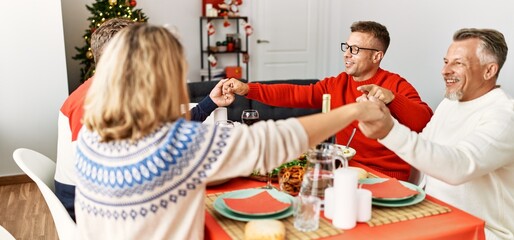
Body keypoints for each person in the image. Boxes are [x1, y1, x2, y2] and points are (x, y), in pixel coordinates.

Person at [74, 23, 384, 240]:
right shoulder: (182, 146)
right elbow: (275, 141)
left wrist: (207, 104)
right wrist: (355, 111)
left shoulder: (90, 135)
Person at [54, 18, 235, 220]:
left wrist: (211, 102)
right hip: (90, 209)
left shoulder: (118, 91)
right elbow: (103, 179)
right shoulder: (90, 103)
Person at [222, 21, 433, 181]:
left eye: (355, 50)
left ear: (377, 56)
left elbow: (424, 121)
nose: (347, 55)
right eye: (347, 47)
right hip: (343, 172)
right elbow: (293, 94)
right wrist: (247, 88)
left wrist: (392, 99)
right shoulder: (336, 84)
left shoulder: (395, 84)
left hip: (385, 178)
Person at [358, 28, 514, 239]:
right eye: (446, 61)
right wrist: (384, 116)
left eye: (458, 63)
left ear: (489, 71)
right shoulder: (450, 103)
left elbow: (458, 167)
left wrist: (388, 130)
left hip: (481, 231)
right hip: (432, 215)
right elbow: (424, 149)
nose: (445, 70)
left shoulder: (504, 116)